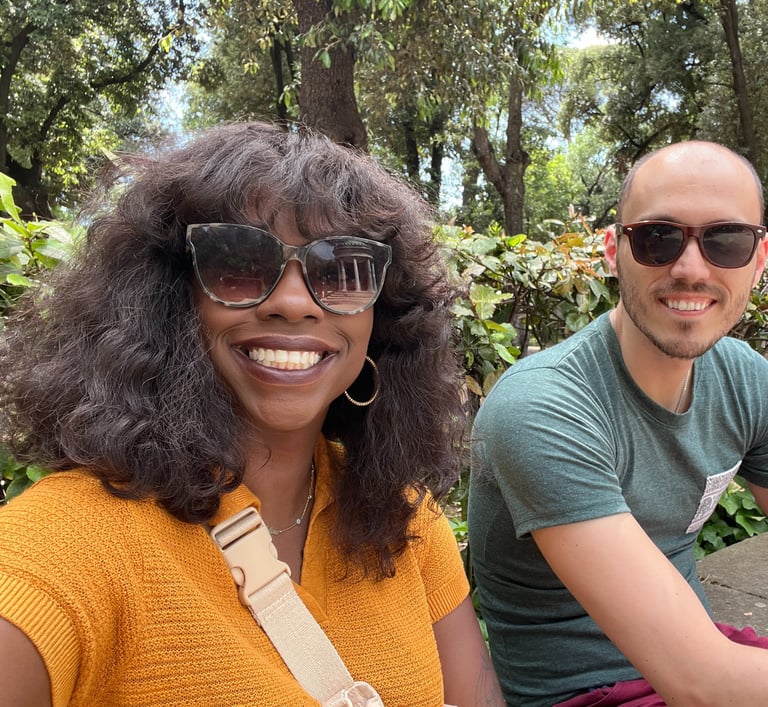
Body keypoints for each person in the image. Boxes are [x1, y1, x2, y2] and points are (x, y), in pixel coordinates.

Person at [0, 122, 503, 706]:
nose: (293, 303)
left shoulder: (407, 520)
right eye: (237, 262)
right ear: (169, 297)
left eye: (341, 271)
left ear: (381, 316)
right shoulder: (66, 546)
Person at [468, 140, 768, 707]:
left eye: (726, 241)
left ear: (758, 259)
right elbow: (700, 682)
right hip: (592, 692)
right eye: (658, 238)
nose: (690, 269)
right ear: (612, 251)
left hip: (702, 656)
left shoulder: (745, 380)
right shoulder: (544, 407)